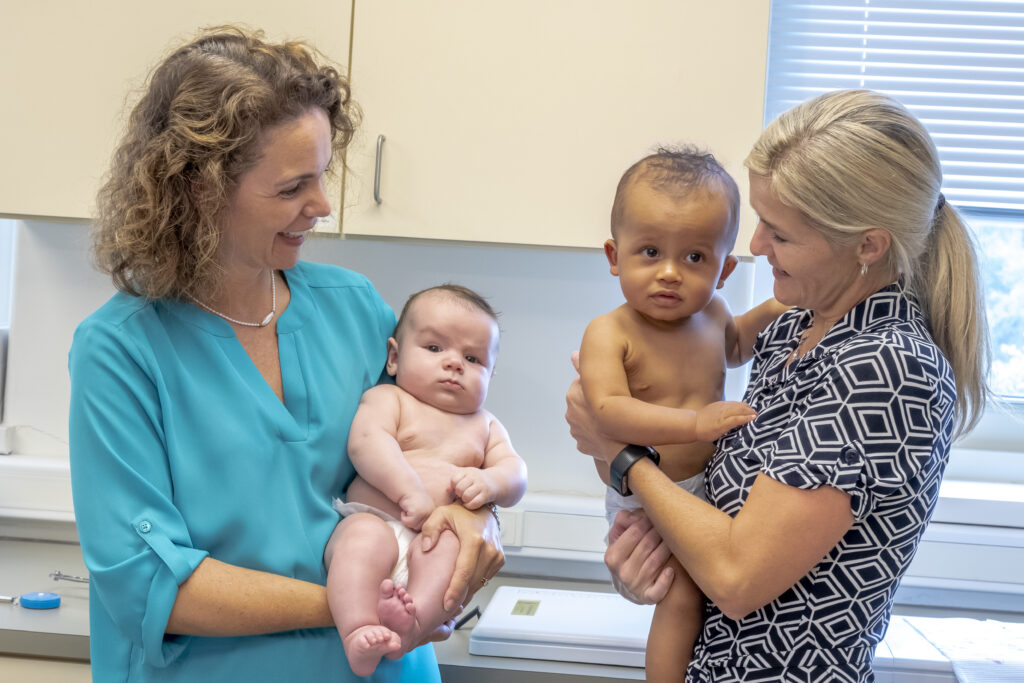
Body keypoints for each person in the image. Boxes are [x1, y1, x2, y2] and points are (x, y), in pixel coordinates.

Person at [68, 27, 503, 682]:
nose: (321, 205)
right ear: (201, 189)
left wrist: (476, 522)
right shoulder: (122, 352)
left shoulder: (355, 310)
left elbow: (448, 449)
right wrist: (354, 605)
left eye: (323, 175)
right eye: (293, 186)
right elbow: (152, 585)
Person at [565, 89, 990, 682]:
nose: (757, 244)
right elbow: (713, 533)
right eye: (761, 221)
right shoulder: (794, 330)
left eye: (780, 233)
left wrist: (621, 455)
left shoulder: (887, 367)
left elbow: (738, 579)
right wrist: (645, 568)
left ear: (868, 245)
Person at [578, 147, 788, 682]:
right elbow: (607, 412)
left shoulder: (714, 314)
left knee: (708, 592)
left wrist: (781, 306)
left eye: (695, 258)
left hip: (708, 496)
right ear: (613, 255)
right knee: (682, 596)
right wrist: (695, 425)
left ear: (724, 271)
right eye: (650, 251)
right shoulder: (611, 331)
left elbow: (737, 345)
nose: (670, 273)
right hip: (650, 496)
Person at [325, 284, 527, 676]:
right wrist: (409, 490)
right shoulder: (390, 399)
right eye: (435, 349)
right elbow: (367, 443)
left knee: (448, 556)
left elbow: (515, 472)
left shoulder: (485, 425)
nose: (454, 363)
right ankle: (358, 631)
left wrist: (490, 483)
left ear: (490, 374)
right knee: (359, 541)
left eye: (472, 358)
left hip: (434, 540)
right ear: (395, 357)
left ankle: (412, 626)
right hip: (378, 521)